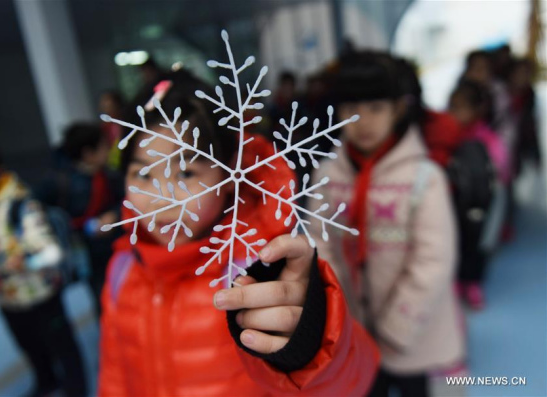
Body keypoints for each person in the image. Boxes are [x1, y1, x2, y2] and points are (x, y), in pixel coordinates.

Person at [98, 79, 380, 396]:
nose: (162, 198)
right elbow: (114, 375)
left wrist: (308, 343)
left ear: (230, 170)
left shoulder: (259, 267)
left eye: (186, 173)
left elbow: (352, 378)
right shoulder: (123, 268)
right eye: (143, 174)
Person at [308, 51, 464, 397]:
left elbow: (434, 260)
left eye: (376, 108)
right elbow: (320, 244)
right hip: (354, 331)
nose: (363, 122)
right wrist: (338, 314)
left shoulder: (424, 177)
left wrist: (396, 327)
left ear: (397, 109)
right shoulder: (326, 175)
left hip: (411, 335)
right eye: (351, 110)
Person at [0, 139, 86, 397]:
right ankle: (46, 381)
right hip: (5, 296)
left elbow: (51, 253)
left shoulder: (20, 205)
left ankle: (76, 390)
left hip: (41, 293)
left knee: (62, 346)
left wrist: (26, 261)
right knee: (29, 345)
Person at [35, 123, 124, 316]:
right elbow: (36, 207)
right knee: (101, 293)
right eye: (104, 146)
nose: (109, 150)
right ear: (88, 153)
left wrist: (114, 216)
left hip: (113, 244)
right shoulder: (58, 180)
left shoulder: (108, 174)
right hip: (83, 250)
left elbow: (126, 199)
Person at [448, 80, 510, 309]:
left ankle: (473, 284)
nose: (456, 113)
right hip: (456, 201)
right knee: (456, 241)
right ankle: (456, 281)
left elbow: (501, 170)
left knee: (478, 245)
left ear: (477, 109)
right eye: (452, 106)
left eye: (461, 107)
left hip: (483, 203)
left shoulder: (487, 138)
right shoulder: (450, 137)